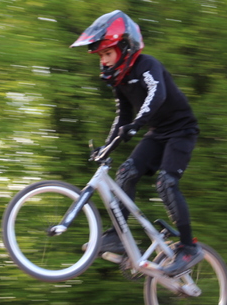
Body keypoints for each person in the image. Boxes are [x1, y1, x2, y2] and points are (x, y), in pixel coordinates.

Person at [70, 10, 203, 276]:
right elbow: (123, 116)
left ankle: (189, 248)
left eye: (108, 54)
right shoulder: (119, 81)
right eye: (101, 56)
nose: (104, 61)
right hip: (157, 131)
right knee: (126, 172)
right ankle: (117, 237)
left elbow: (157, 94)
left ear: (125, 48)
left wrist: (136, 126)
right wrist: (107, 147)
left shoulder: (147, 65)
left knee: (166, 183)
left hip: (181, 131)